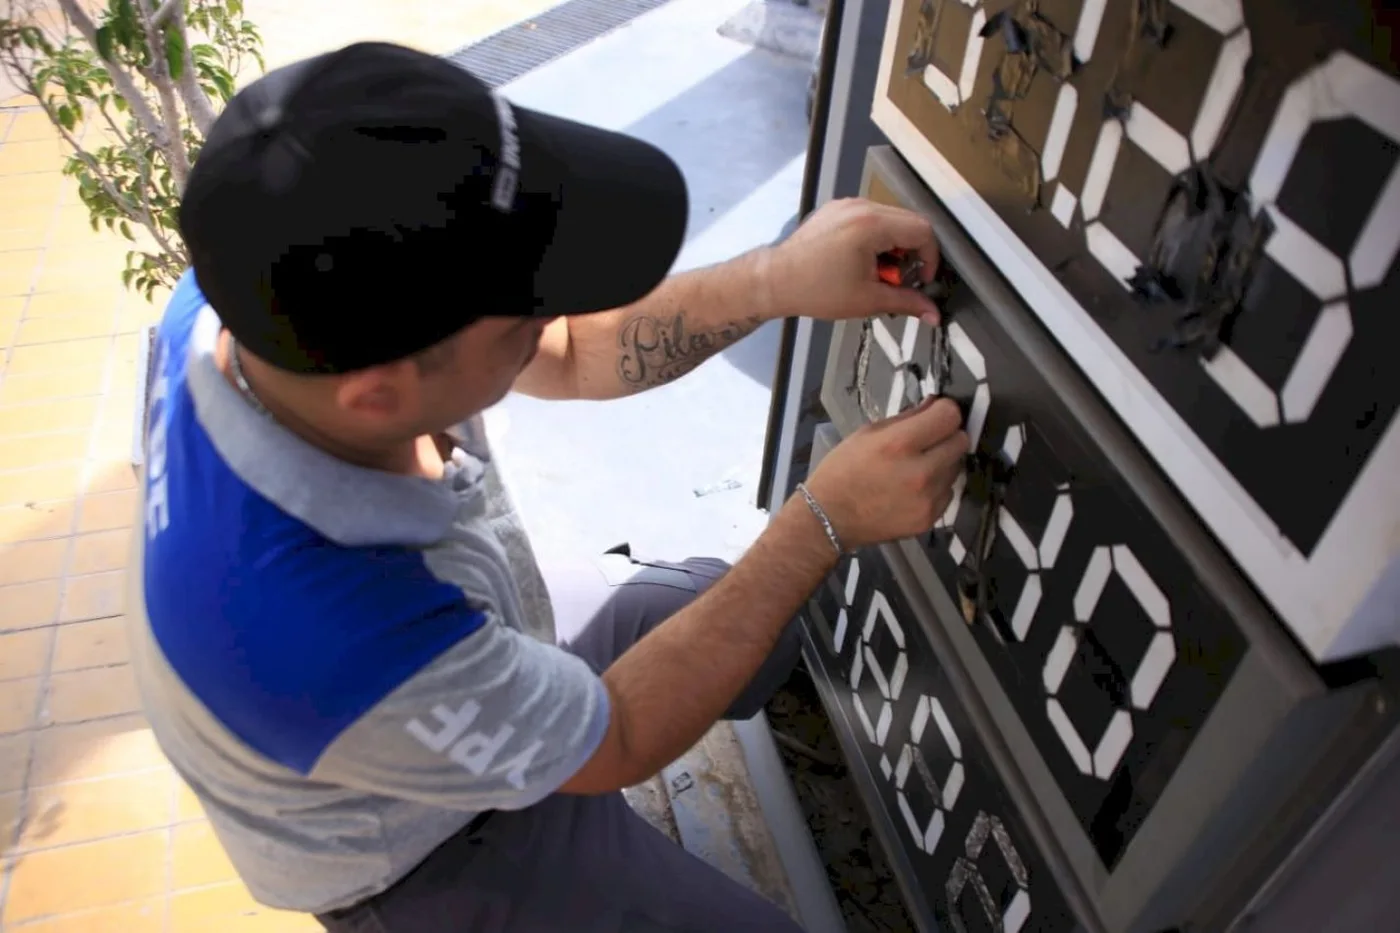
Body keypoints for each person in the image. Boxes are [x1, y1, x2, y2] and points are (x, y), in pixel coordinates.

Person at [127, 40, 969, 933]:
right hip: (426, 850)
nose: (550, 317)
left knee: (730, 608)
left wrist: (773, 278)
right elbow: (618, 741)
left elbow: (569, 351)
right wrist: (823, 521)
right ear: (381, 396)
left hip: (442, 667)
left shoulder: (267, 292)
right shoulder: (319, 623)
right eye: (524, 312)